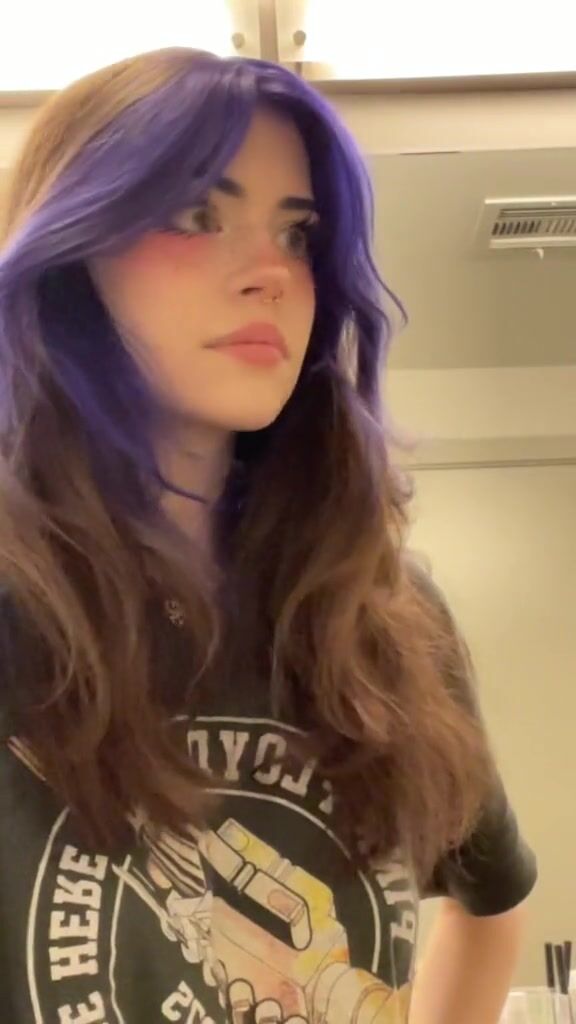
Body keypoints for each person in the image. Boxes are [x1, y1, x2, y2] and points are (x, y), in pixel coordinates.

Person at [0, 48, 536, 1024]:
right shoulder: (16, 608)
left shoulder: (387, 612)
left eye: (299, 234)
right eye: (197, 216)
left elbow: (491, 902)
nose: (272, 274)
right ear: (73, 255)